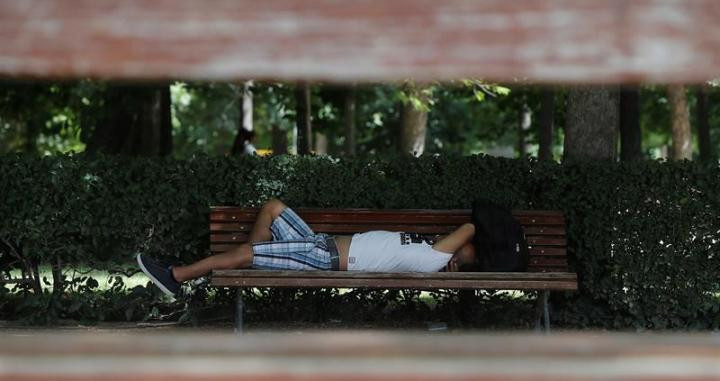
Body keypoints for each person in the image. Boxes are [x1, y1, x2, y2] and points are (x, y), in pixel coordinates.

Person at [138, 199, 477, 296]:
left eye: (463, 252)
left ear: (453, 259)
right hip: (318, 243)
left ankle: (176, 276)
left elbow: (470, 226)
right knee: (273, 208)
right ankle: (259, 259)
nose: (462, 247)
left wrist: (463, 251)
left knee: (247, 254)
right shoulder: (432, 249)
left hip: (321, 259)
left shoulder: (434, 259)